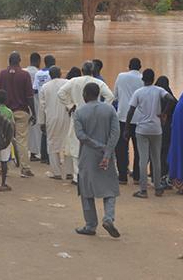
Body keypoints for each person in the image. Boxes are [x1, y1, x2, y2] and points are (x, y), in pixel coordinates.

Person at [74, 83, 121, 238]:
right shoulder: (110, 109)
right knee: (110, 189)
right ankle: (108, 218)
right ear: (99, 94)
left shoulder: (79, 112)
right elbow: (115, 133)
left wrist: (97, 146)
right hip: (106, 156)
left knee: (86, 191)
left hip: (87, 155)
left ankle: (90, 225)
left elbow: (80, 136)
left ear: (86, 94)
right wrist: (107, 152)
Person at [58, 61, 115, 184]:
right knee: (93, 142)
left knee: (75, 144)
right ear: (93, 71)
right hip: (94, 116)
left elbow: (60, 93)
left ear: (82, 70)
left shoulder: (73, 81)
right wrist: (102, 108)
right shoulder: (99, 82)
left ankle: (76, 176)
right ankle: (92, 174)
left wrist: (70, 105)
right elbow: (110, 96)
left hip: (77, 114)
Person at [125, 69, 176, 198]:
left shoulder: (138, 92)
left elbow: (131, 111)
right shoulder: (159, 90)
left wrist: (126, 128)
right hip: (156, 129)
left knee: (143, 159)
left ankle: (143, 190)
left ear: (143, 79)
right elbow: (172, 100)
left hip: (142, 129)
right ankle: (158, 188)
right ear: (153, 79)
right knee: (156, 159)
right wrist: (164, 113)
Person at [0, 52, 37, 178]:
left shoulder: (2, 74)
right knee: (22, 141)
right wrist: (33, 112)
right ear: (19, 61)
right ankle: (25, 169)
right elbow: (30, 96)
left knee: (4, 140)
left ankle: (3, 169)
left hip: (5, 112)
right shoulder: (25, 75)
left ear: (9, 61)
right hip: (21, 111)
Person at [113, 58, 144, 185]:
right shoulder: (143, 78)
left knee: (121, 149)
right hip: (140, 119)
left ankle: (122, 177)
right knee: (139, 149)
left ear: (129, 66)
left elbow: (115, 96)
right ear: (140, 67)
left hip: (123, 118)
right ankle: (137, 177)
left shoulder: (121, 76)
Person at [40, 66, 71, 180]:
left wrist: (41, 122)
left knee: (52, 144)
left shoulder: (45, 87)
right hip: (66, 117)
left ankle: (57, 173)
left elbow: (42, 106)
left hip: (51, 119)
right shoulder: (68, 83)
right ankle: (69, 172)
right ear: (60, 73)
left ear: (50, 75)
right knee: (67, 143)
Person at [34, 54, 56, 165]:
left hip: (41, 105)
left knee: (44, 132)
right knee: (51, 132)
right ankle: (49, 157)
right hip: (52, 106)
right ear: (53, 62)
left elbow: (34, 90)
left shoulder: (38, 73)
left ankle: (43, 156)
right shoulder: (52, 74)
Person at [155, 75, 177, 187]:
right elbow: (175, 104)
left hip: (153, 127)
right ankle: (163, 177)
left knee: (154, 152)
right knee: (165, 153)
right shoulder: (169, 96)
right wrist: (165, 113)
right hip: (166, 128)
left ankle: (154, 176)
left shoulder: (154, 94)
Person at [25, 52, 43, 162]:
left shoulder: (24, 71)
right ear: (38, 62)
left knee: (23, 130)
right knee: (36, 130)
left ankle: (20, 153)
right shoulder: (39, 73)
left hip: (23, 104)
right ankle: (34, 152)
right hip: (36, 104)